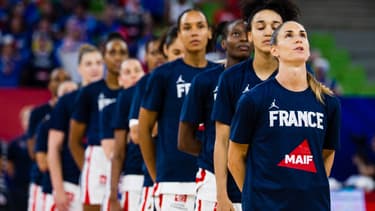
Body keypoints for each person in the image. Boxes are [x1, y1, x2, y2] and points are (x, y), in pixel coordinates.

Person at [228, 21, 341, 210]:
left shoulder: (328, 102)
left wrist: (309, 187)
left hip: (314, 205)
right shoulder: (254, 99)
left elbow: (327, 154)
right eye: (289, 35)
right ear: (274, 50)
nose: (298, 38)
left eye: (303, 35)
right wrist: (254, 197)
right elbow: (235, 156)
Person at [211, 0, 300, 209]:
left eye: (276, 27)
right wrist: (221, 195)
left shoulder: (303, 76)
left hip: (289, 194)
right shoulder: (231, 78)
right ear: (249, 35)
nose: (268, 32)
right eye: (260, 27)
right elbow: (222, 141)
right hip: (238, 193)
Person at [138, 9, 218, 210]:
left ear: (209, 33)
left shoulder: (221, 75)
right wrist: (157, 175)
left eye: (200, 26)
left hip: (211, 179)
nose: (194, 32)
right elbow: (144, 128)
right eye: (187, 28)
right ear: (179, 35)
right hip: (173, 182)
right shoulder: (162, 75)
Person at [178, 19, 251, 210]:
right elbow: (184, 139)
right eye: (236, 34)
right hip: (212, 179)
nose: (243, 39)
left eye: (247, 34)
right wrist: (213, 151)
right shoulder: (204, 80)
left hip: (252, 177)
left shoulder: (266, 82)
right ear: (223, 42)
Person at [68, 32, 128, 211]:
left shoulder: (134, 90)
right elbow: (74, 140)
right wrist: (88, 168)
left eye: (122, 52)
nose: (118, 57)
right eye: (112, 52)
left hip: (127, 155)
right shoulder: (89, 92)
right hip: (97, 157)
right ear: (104, 56)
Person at [128, 25, 183, 211]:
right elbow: (136, 133)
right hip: (158, 177)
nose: (181, 57)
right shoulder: (148, 82)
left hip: (197, 180)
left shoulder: (205, 79)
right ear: (166, 51)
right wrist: (170, 124)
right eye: (176, 52)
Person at [48, 44, 104, 211]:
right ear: (79, 69)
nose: (94, 68)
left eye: (98, 63)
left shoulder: (114, 97)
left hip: (103, 183)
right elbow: (53, 148)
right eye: (88, 64)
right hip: (71, 183)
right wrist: (58, 189)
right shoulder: (67, 101)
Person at [103, 59, 144, 211]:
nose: (134, 75)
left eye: (137, 70)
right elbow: (117, 153)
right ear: (120, 80)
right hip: (134, 176)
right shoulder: (123, 100)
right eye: (128, 72)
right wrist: (113, 194)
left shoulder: (157, 92)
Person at [27, 68, 71, 211]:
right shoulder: (38, 113)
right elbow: (32, 151)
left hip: (70, 181)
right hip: (41, 182)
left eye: (65, 79)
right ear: (49, 84)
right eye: (56, 79)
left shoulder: (78, 113)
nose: (61, 83)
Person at [35, 81, 78, 211]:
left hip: (81, 184)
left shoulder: (85, 123)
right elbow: (42, 163)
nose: (71, 96)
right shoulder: (46, 125)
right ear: (57, 99)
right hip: (55, 186)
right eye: (66, 93)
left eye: (74, 92)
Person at [5, 106, 33, 211]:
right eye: (26, 118)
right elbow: (9, 165)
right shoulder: (15, 143)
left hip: (37, 185)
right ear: (22, 121)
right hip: (20, 187)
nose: (29, 122)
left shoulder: (43, 140)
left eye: (31, 118)